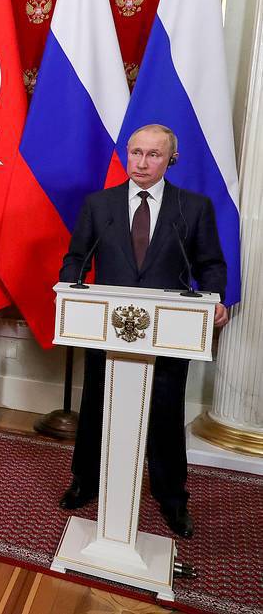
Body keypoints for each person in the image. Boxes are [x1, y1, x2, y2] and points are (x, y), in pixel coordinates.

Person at [58, 124, 228, 539]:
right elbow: (76, 258)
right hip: (106, 327)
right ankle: (85, 481)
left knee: (165, 415)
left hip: (169, 330)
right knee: (96, 406)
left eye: (153, 154)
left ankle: (172, 498)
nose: (142, 162)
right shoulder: (100, 204)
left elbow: (210, 264)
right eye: (136, 152)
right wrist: (68, 291)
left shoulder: (193, 207)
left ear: (171, 159)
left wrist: (215, 299)